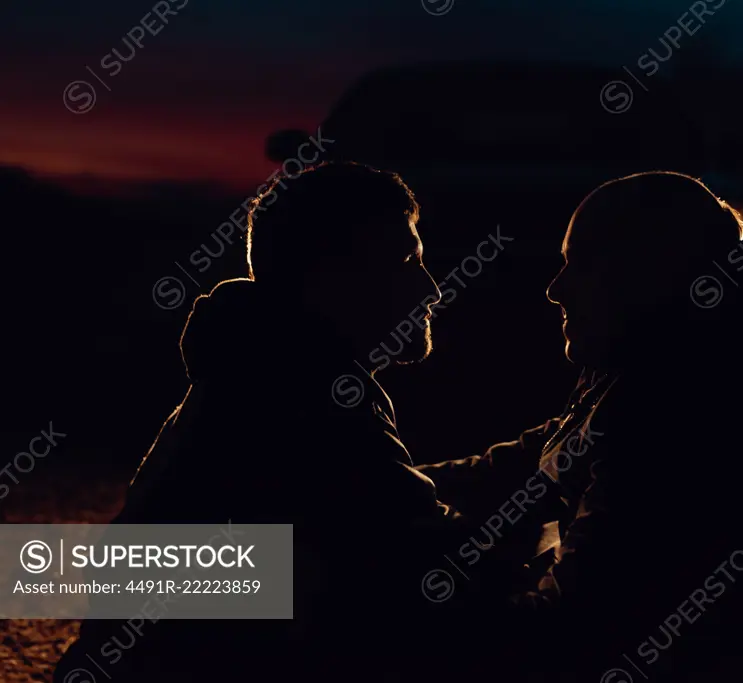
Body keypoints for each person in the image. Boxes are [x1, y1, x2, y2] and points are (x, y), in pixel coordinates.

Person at [419, 171, 743, 682]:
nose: (555, 291)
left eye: (579, 265)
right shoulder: (662, 367)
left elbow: (568, 633)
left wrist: (402, 623)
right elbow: (537, 458)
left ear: (643, 275)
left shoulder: (678, 413)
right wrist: (395, 483)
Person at [54, 161, 465, 682]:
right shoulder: (306, 390)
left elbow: (382, 500)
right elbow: (425, 551)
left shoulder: (254, 366)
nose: (431, 290)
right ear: (332, 276)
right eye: (407, 260)